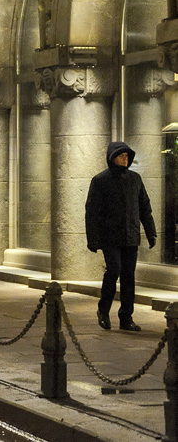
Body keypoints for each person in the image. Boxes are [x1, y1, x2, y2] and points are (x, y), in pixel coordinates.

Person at [86, 142, 156, 331]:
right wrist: (92, 238)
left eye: (127, 155)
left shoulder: (135, 179)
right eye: (121, 155)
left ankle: (126, 317)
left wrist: (151, 232)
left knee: (128, 276)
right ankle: (104, 310)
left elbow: (144, 208)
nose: (125, 158)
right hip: (110, 236)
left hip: (130, 236)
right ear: (112, 157)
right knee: (114, 270)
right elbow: (92, 211)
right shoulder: (100, 180)